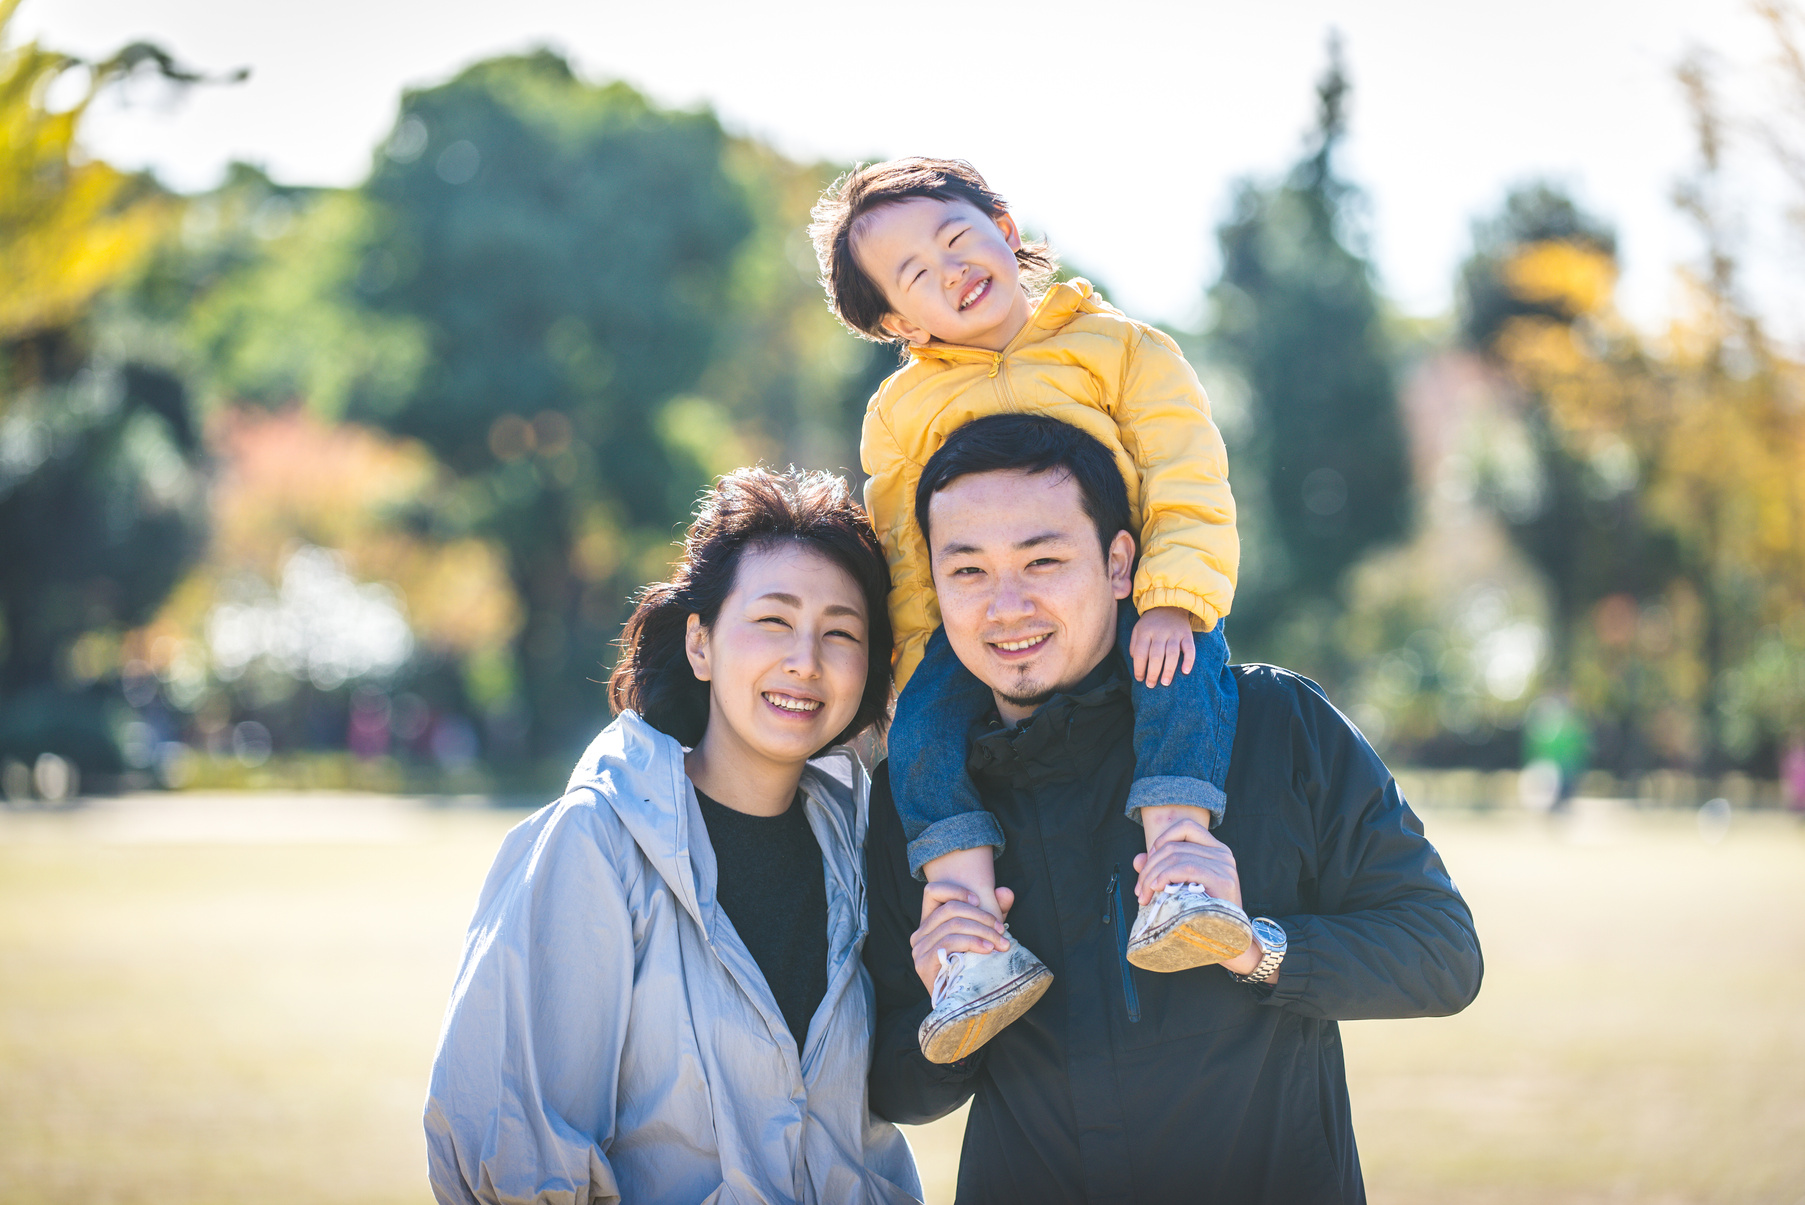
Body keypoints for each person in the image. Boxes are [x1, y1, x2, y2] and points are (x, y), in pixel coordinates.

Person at [863, 414, 1484, 1203]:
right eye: (968, 572)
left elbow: (1442, 955)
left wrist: (1252, 944)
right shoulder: (918, 799)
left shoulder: (1272, 725)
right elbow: (898, 1090)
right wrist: (943, 1011)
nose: (1005, 606)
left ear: (1119, 563)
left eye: (1043, 560)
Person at [811, 158, 1248, 1062]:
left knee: (1182, 669)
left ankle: (1178, 871)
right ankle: (970, 934)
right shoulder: (901, 411)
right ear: (896, 321)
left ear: (1004, 229)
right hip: (974, 630)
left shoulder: (1123, 348)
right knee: (921, 740)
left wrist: (1174, 596)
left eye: (956, 238)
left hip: (1128, 596)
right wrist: (913, 668)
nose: (950, 270)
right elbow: (904, 547)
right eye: (914, 275)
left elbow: (1187, 478)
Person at [424, 467, 923, 1205]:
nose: (805, 661)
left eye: (840, 632)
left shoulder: (862, 842)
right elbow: (518, 1142)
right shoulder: (598, 839)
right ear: (701, 644)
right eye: (773, 620)